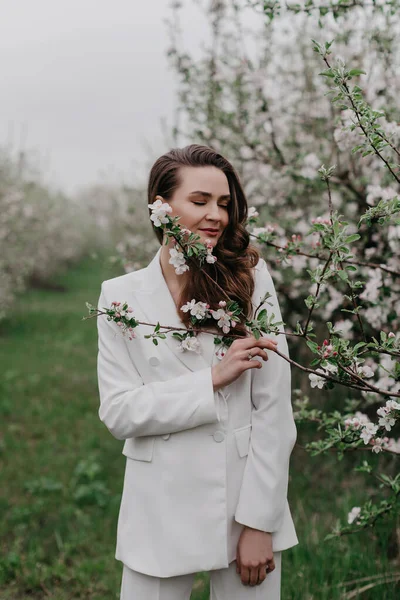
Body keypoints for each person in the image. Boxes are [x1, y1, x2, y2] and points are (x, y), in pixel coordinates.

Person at [96, 144, 298, 599]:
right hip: (160, 503)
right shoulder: (119, 297)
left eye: (224, 204)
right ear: (161, 206)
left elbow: (273, 410)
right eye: (200, 201)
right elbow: (119, 412)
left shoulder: (249, 279)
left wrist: (259, 522)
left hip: (245, 494)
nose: (216, 216)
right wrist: (210, 379)